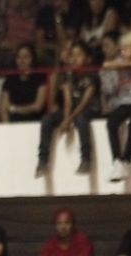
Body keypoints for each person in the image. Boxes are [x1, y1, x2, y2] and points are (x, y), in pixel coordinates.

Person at [36, 40, 99, 176]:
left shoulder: (92, 75)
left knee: (80, 118)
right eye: (72, 55)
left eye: (79, 55)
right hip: (71, 109)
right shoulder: (68, 75)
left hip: (90, 108)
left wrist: (69, 119)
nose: (75, 59)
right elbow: (68, 101)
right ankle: (42, 161)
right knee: (47, 119)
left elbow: (84, 102)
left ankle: (86, 158)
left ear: (87, 58)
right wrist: (65, 119)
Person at [100, 31, 131, 182]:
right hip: (123, 101)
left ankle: (127, 160)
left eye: (127, 48)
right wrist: (110, 72)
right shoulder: (118, 63)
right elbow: (109, 79)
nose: (123, 52)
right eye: (122, 49)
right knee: (111, 122)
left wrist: (129, 63)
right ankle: (117, 161)